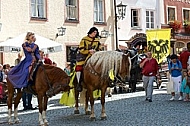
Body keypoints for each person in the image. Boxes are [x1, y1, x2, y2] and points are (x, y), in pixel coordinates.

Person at [7, 32, 40, 110]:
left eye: (34, 37)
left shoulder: (36, 46)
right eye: (32, 37)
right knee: (26, 70)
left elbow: (37, 53)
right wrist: (32, 45)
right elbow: (29, 50)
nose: (33, 38)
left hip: (35, 61)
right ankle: (25, 82)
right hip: (28, 61)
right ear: (28, 37)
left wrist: (40, 59)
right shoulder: (25, 44)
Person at [75, 27, 101, 92]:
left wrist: (95, 51)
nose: (95, 34)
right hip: (83, 56)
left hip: (94, 56)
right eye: (94, 32)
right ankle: (79, 83)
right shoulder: (84, 39)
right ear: (91, 32)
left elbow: (99, 49)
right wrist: (88, 51)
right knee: (79, 68)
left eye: (96, 32)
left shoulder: (97, 40)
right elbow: (81, 49)